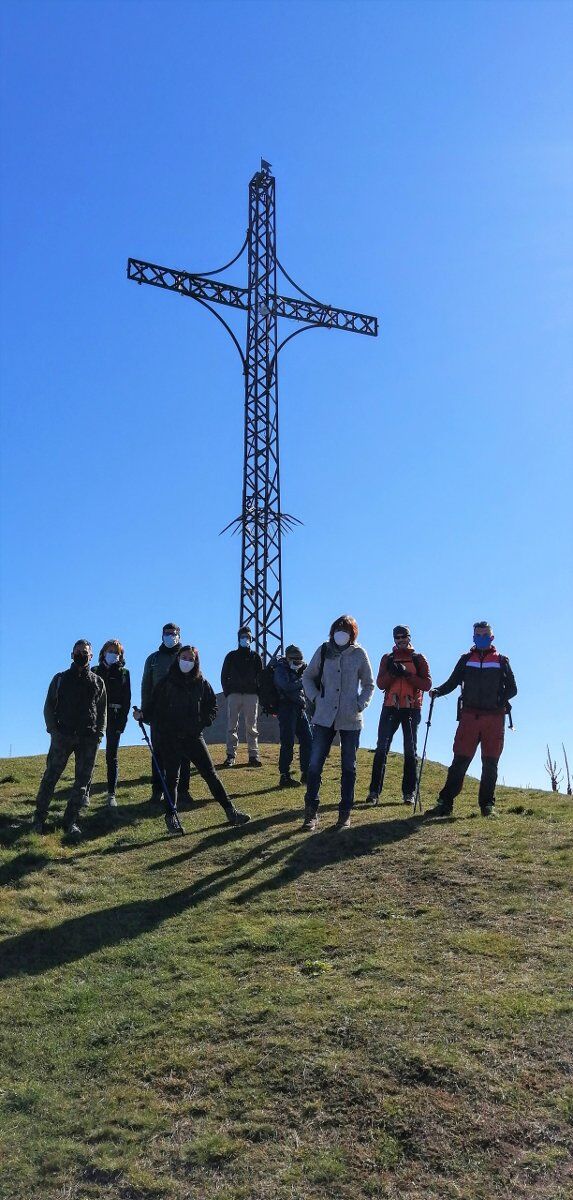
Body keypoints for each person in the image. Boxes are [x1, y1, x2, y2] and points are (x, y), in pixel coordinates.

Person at [134, 644, 250, 834]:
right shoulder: (165, 683)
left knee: (210, 774)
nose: (187, 661)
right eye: (184, 657)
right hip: (170, 737)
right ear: (177, 658)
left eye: (191, 659)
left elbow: (212, 706)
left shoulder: (201, 682)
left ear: (196, 662)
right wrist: (142, 715)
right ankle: (171, 817)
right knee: (171, 779)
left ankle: (231, 811)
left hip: (193, 736)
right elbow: (153, 708)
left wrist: (202, 722)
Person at [429, 621, 517, 817]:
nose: (481, 638)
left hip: (493, 720)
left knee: (490, 763)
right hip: (469, 717)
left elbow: (513, 688)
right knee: (460, 760)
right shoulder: (466, 659)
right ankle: (445, 803)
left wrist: (499, 701)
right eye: (478, 635)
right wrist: (438, 691)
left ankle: (487, 806)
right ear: (473, 637)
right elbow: (452, 682)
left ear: (492, 638)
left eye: (485, 635)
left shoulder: (502, 661)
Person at [302, 615, 374, 831]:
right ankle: (311, 814)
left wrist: (360, 704)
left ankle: (344, 815)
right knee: (314, 765)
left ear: (353, 633)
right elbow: (307, 676)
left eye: (346, 629)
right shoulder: (324, 650)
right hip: (324, 717)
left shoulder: (359, 653)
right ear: (332, 631)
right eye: (338, 628)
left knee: (348, 767)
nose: (341, 632)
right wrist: (315, 697)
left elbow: (369, 684)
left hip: (350, 719)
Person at [32, 640, 107, 837]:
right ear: (72, 654)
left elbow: (102, 711)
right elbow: (49, 706)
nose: (81, 655)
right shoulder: (60, 679)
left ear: (91, 657)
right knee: (50, 777)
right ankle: (39, 819)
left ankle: (70, 821)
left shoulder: (98, 682)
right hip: (62, 736)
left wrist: (99, 735)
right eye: (78, 652)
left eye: (85, 652)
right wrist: (53, 730)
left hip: (88, 739)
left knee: (82, 783)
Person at [365, 625, 432, 806]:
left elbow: (427, 684)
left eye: (404, 637)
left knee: (410, 751)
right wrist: (393, 674)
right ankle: (374, 792)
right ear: (394, 639)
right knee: (381, 749)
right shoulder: (388, 659)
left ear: (409, 638)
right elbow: (380, 683)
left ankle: (409, 793)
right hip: (390, 707)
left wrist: (407, 675)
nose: (401, 640)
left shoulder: (418, 659)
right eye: (398, 637)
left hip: (411, 708)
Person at [140, 622, 193, 806]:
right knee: (158, 754)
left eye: (173, 633)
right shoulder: (153, 659)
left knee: (184, 753)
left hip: (182, 714)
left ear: (179, 634)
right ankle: (157, 791)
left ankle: (184, 791)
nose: (170, 636)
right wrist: (145, 711)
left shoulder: (186, 657)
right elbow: (146, 686)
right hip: (158, 714)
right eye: (166, 633)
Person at [86, 639, 131, 808]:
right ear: (103, 652)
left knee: (112, 756)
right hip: (95, 717)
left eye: (116, 652)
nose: (113, 654)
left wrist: (122, 722)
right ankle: (85, 792)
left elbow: (126, 699)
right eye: (110, 650)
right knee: (90, 755)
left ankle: (111, 794)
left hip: (115, 716)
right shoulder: (95, 670)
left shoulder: (124, 673)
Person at [221, 626, 263, 767]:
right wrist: (228, 692)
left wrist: (258, 692)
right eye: (243, 637)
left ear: (251, 639)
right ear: (238, 639)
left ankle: (253, 756)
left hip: (251, 695)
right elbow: (224, 675)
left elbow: (261, 676)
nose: (246, 639)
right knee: (232, 726)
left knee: (252, 726)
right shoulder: (231, 656)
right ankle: (231, 755)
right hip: (234, 694)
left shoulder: (256, 657)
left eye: (248, 637)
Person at [274, 644, 313, 788]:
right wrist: (301, 681)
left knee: (308, 740)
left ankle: (306, 772)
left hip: (299, 708)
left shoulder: (300, 670)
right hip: (286, 708)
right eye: (296, 662)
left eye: (300, 662)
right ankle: (284, 775)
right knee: (287, 742)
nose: (298, 665)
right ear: (288, 659)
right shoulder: (280, 669)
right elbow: (286, 686)